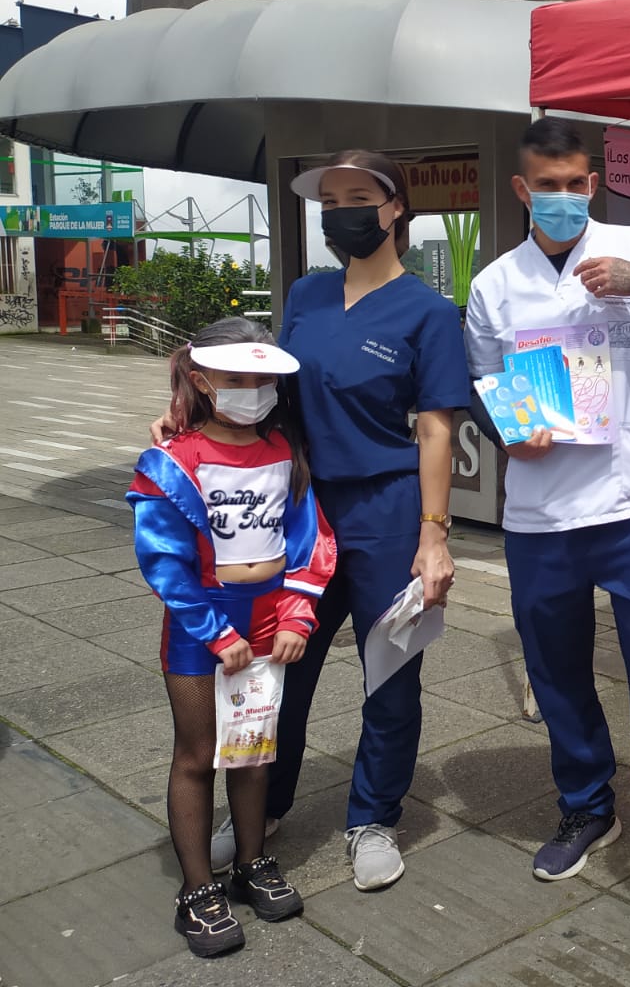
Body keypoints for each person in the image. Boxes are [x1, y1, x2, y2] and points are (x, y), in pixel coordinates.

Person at [464, 117, 630, 897]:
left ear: (593, 182)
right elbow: (481, 388)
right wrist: (513, 433)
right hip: (541, 515)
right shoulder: (494, 283)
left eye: (575, 184)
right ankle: (586, 806)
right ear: (522, 190)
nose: (561, 198)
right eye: (544, 186)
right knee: (556, 672)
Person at [202, 150, 472, 891]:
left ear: (394, 210)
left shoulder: (428, 310)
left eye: (359, 196)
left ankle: (373, 817)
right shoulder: (307, 295)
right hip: (301, 510)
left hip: (389, 512)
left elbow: (436, 429)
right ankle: (264, 808)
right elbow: (270, 393)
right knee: (279, 668)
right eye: (330, 199)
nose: (340, 210)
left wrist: (433, 535)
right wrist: (193, 413)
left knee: (390, 672)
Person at [128, 320, 336, 957]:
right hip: (201, 624)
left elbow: (311, 538)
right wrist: (214, 632)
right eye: (236, 379)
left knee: (253, 750)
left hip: (272, 620)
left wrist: (300, 614)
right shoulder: (172, 462)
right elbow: (163, 558)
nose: (253, 390)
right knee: (197, 755)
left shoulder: (284, 450)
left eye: (262, 380)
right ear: (200, 380)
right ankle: (197, 888)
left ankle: (252, 861)